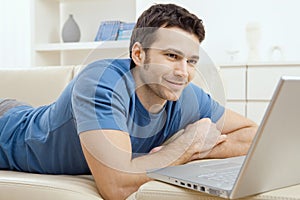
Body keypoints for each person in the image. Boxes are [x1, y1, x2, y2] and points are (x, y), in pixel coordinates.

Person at [0, 3, 258, 200]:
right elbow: (116, 186)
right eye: (171, 55)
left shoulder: (184, 94)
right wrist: (184, 147)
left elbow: (252, 134)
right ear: (138, 54)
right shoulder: (102, 82)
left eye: (191, 61)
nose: (183, 71)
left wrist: (198, 149)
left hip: (23, 111)